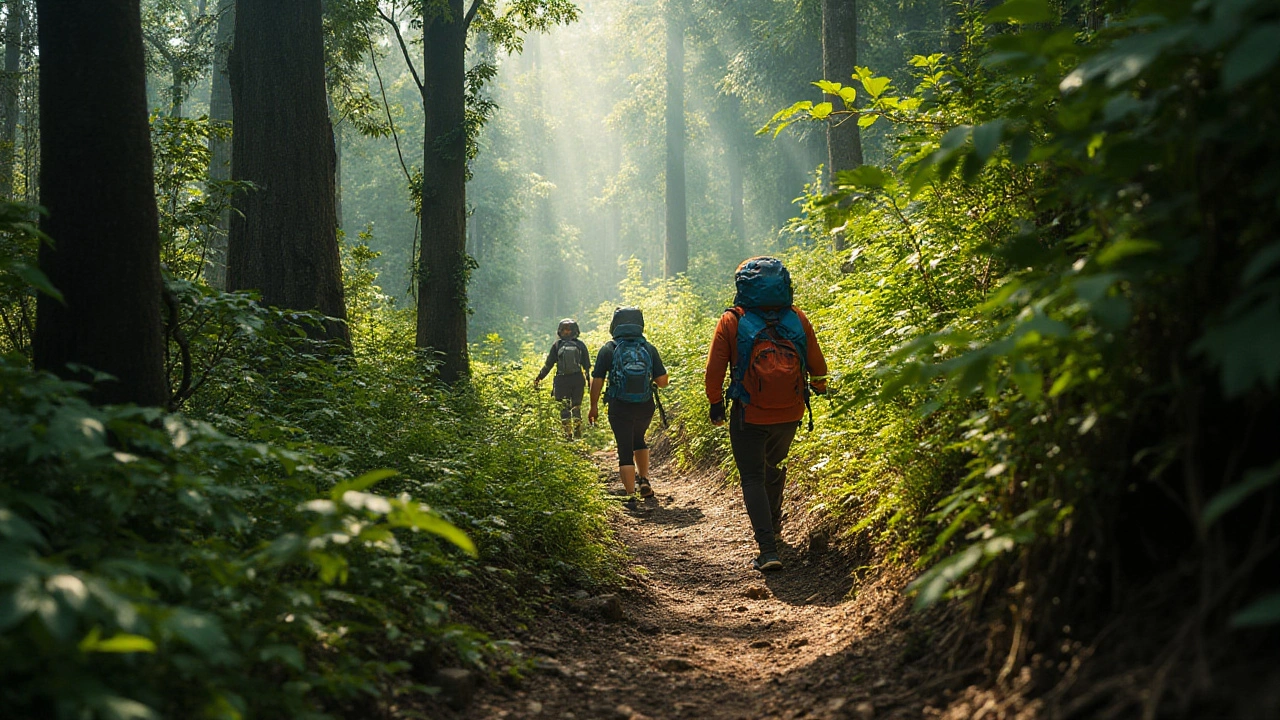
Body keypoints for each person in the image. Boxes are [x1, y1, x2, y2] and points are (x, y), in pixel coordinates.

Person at [704, 257, 828, 571]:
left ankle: (768, 549)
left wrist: (716, 404)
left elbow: (714, 370)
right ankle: (774, 528)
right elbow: (818, 365)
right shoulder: (797, 317)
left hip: (749, 412)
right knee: (775, 468)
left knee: (752, 477)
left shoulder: (732, 320)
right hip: (790, 411)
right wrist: (820, 386)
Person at [588, 307, 669, 506]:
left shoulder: (609, 348)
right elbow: (662, 381)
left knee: (625, 447)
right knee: (639, 438)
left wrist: (593, 406)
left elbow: (597, 379)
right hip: (645, 406)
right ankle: (644, 480)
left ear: (614, 325)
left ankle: (631, 495)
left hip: (619, 405)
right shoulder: (648, 348)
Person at [535, 318, 591, 439]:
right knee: (576, 407)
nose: (566, 332)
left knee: (564, 409)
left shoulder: (557, 345)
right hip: (577, 380)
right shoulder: (580, 345)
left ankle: (568, 436)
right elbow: (587, 366)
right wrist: (589, 382)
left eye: (568, 329)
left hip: (562, 380)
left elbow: (548, 364)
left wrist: (539, 378)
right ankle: (578, 434)